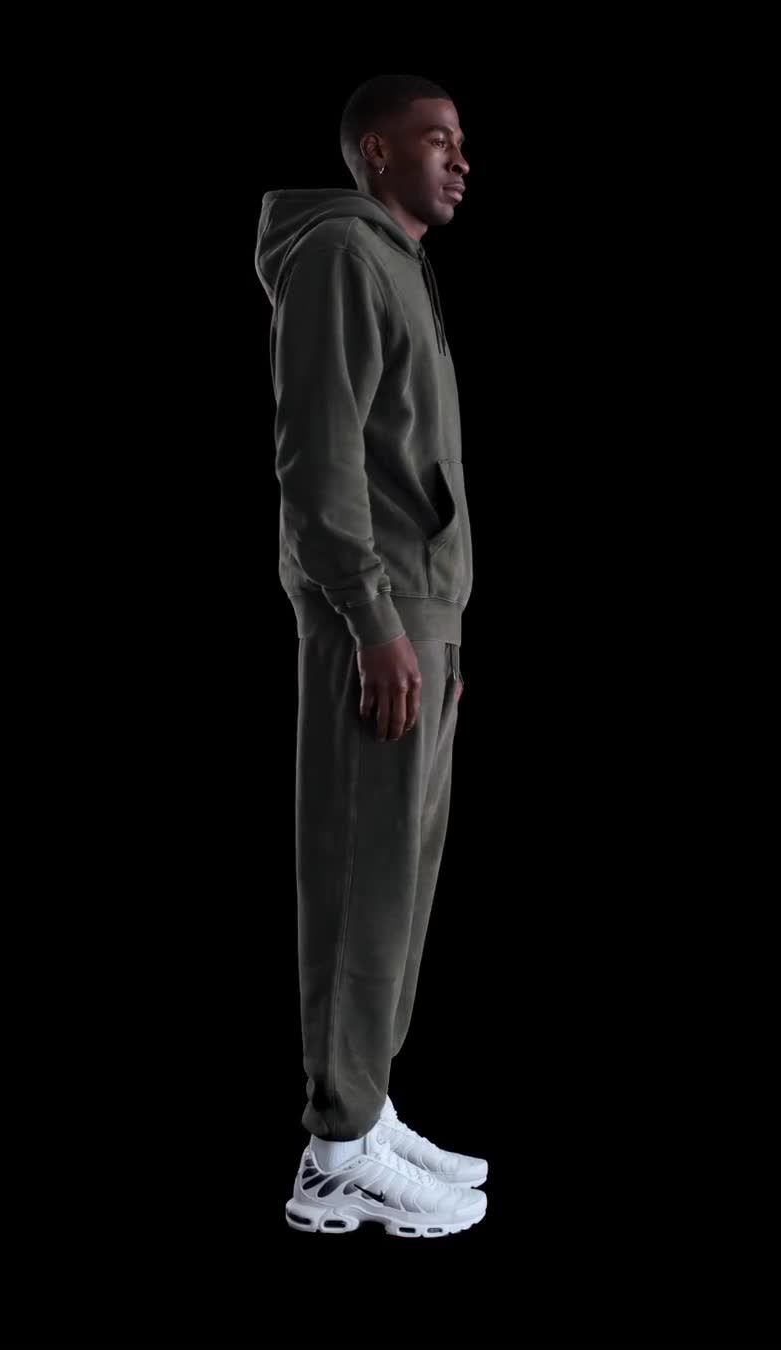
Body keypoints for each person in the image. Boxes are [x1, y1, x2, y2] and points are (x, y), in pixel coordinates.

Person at [255, 73, 488, 1238]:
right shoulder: (342, 254)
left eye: (462, 141)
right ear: (375, 152)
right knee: (360, 880)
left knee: (400, 884)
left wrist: (434, 627)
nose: (460, 159)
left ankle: (367, 1108)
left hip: (418, 616)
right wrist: (377, 621)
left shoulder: (397, 261)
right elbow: (321, 457)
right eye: (436, 139)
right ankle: (335, 1152)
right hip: (378, 618)